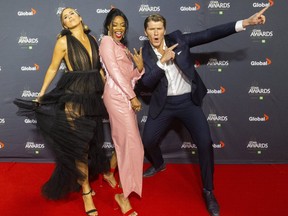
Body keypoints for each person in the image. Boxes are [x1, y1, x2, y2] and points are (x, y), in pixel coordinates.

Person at [140, 6, 269, 216]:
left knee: (205, 143)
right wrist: (162, 63)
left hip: (188, 103)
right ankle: (159, 164)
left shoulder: (179, 39)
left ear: (164, 29)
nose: (155, 33)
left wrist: (245, 23)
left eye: (159, 28)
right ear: (146, 32)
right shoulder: (143, 52)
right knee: (148, 141)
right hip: (163, 105)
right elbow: (144, 84)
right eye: (151, 29)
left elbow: (208, 34)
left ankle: (208, 191)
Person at [14, 7, 109, 216]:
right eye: (65, 17)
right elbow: (52, 68)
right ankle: (86, 192)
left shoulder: (93, 39)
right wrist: (40, 94)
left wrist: (108, 93)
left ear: (80, 17)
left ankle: (85, 181)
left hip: (93, 98)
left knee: (92, 143)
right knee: (79, 147)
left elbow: (99, 70)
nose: (69, 17)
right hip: (73, 98)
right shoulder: (63, 42)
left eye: (72, 13)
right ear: (64, 25)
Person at [99, 8, 144, 216]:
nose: (119, 28)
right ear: (108, 25)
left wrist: (140, 69)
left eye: (122, 25)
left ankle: (109, 173)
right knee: (133, 145)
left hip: (124, 95)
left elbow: (130, 78)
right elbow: (114, 73)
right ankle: (123, 197)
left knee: (124, 142)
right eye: (115, 24)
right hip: (117, 97)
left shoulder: (123, 47)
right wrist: (132, 97)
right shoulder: (107, 42)